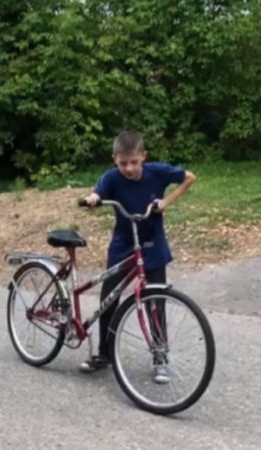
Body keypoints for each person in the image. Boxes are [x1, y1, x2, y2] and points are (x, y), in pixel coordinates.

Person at [81, 130, 196, 384]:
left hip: (152, 244)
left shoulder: (157, 172)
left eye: (134, 162)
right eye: (123, 163)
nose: (129, 168)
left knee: (156, 301)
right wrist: (93, 199)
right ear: (115, 160)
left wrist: (166, 202)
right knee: (109, 298)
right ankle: (104, 354)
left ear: (143, 156)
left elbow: (189, 177)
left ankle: (160, 357)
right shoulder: (112, 177)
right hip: (123, 244)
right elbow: (98, 193)